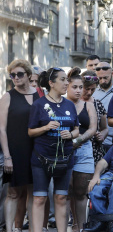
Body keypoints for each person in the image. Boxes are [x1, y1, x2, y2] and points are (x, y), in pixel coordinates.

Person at [28, 67, 80, 232]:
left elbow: (77, 129)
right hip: (41, 158)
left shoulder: (69, 105)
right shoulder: (39, 105)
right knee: (39, 199)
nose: (67, 83)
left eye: (67, 80)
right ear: (51, 83)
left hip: (65, 159)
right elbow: (30, 132)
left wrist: (71, 134)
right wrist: (46, 127)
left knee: (61, 197)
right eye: (63, 80)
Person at [0, 60, 39, 232]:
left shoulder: (39, 94)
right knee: (13, 193)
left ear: (29, 75)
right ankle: (9, 229)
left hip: (36, 150)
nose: (15, 77)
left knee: (33, 192)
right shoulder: (8, 96)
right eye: (13, 75)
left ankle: (32, 228)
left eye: (19, 74)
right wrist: (7, 156)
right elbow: (1, 129)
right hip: (15, 151)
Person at [66, 67, 97, 232]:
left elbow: (93, 128)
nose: (79, 91)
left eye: (80, 88)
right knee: (66, 191)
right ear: (67, 86)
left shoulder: (88, 105)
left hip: (84, 149)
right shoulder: (61, 104)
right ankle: (69, 225)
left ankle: (80, 227)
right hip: (65, 148)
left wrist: (79, 139)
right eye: (75, 87)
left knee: (81, 192)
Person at [80, 70, 108, 164]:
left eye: (93, 89)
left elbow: (104, 128)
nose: (89, 92)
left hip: (94, 151)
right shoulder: (72, 102)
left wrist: (102, 136)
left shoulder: (98, 104)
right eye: (86, 89)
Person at [92, 62, 113, 152]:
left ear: (112, 74)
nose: (102, 81)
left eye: (105, 78)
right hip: (98, 140)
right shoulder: (92, 92)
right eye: (99, 78)